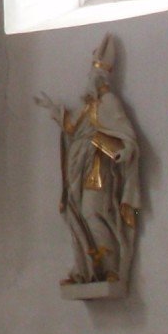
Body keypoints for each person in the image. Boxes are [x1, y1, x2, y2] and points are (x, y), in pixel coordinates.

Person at [36, 37, 142, 288]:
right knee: (76, 215)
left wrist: (123, 152)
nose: (91, 79)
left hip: (98, 168)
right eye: (91, 73)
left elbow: (127, 136)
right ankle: (85, 269)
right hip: (78, 167)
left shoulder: (109, 103)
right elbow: (72, 126)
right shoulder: (88, 106)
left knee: (94, 213)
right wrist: (53, 109)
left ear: (103, 77)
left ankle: (111, 268)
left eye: (96, 74)